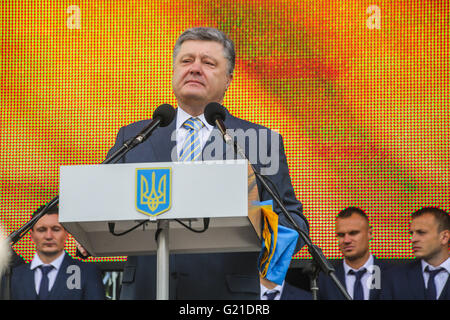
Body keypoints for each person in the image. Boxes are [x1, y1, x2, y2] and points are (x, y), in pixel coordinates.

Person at [107, 26, 309, 299]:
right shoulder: (134, 136)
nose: (195, 68)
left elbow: (290, 219)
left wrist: (265, 254)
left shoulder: (259, 141)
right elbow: (105, 203)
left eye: (208, 63)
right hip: (147, 289)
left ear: (228, 79)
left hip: (227, 294)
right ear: (174, 71)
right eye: (186, 60)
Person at [10, 206, 105, 300]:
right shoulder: (14, 275)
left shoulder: (87, 272)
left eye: (55, 229)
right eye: (42, 230)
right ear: (32, 235)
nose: (48, 236)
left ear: (67, 233)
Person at [318, 207, 391, 300]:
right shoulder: (325, 278)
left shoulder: (391, 274)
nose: (346, 240)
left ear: (370, 233)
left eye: (353, 233)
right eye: (341, 235)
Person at [381, 207, 449, 300]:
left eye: (421, 232)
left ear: (444, 237)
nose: (413, 239)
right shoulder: (393, 277)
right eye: (411, 233)